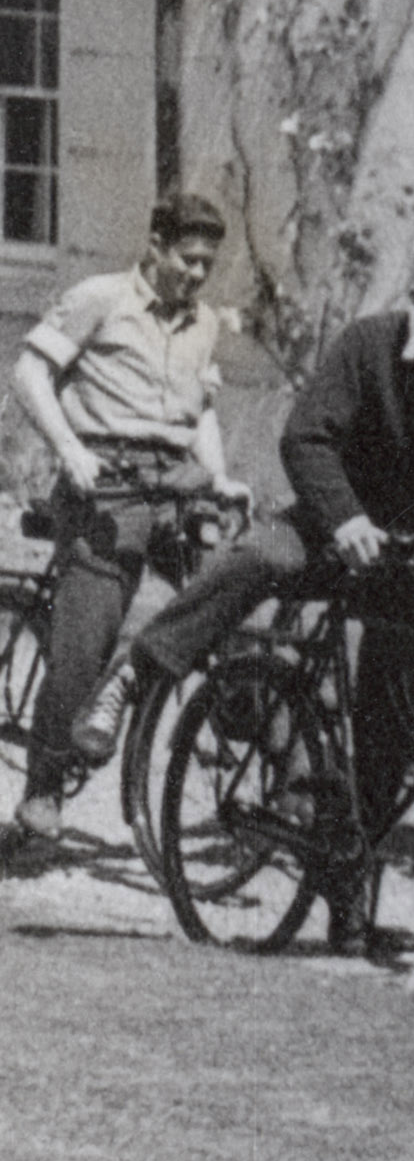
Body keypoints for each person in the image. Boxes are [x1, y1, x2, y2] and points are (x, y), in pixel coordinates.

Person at [123, 232, 414, 962]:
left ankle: (349, 908)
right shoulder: (369, 346)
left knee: (389, 742)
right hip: (342, 531)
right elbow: (307, 438)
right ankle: (146, 665)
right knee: (258, 555)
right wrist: (348, 517)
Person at [2, 192, 239, 855]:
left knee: (229, 598)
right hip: (107, 485)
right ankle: (43, 788)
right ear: (156, 245)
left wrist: (218, 477)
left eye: (207, 265)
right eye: (188, 259)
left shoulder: (205, 322)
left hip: (178, 485)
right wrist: (69, 449)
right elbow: (29, 370)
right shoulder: (100, 297)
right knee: (84, 640)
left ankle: (135, 685)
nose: (196, 274)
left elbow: (205, 411)